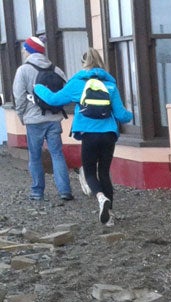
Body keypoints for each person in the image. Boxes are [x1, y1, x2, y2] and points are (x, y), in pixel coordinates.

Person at [34, 48, 133, 226]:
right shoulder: (110, 85)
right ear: (101, 63)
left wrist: (38, 88)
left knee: (89, 171)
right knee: (104, 171)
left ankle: (101, 198)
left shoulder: (77, 83)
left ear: (83, 64)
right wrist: (131, 115)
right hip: (108, 134)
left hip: (89, 134)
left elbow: (54, 100)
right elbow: (121, 115)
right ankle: (109, 216)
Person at [13, 35, 73, 202]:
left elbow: (19, 97)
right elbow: (65, 91)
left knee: (35, 155)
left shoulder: (23, 70)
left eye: (26, 48)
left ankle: (37, 191)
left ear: (31, 50)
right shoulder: (56, 69)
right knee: (57, 154)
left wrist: (22, 115)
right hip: (54, 118)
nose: (24, 51)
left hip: (34, 120)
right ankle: (65, 191)